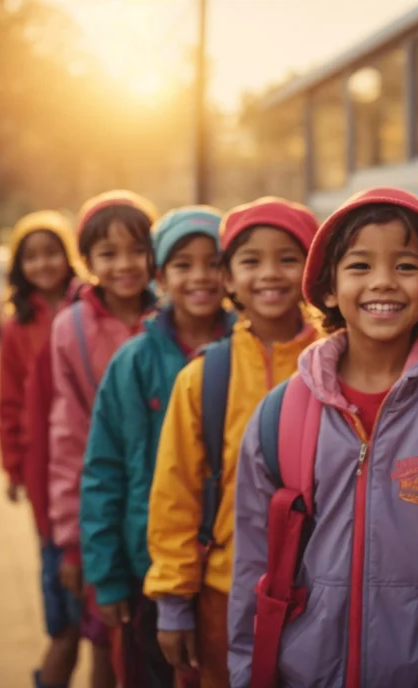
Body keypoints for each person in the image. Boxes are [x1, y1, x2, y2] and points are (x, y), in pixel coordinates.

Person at [228, 188, 418, 687]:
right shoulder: (282, 412)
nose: (384, 283)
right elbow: (253, 569)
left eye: (407, 266)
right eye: (360, 266)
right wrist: (248, 674)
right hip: (304, 672)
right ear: (327, 289)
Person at [143, 197, 320, 687]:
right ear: (227, 278)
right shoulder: (204, 377)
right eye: (251, 260)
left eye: (289, 258)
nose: (270, 274)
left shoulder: (338, 365)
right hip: (225, 589)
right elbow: (174, 495)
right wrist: (174, 603)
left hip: (325, 589)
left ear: (314, 270)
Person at [80, 207, 232, 686]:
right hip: (151, 567)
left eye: (214, 262)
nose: (201, 277)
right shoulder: (134, 362)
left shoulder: (251, 352)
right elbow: (103, 471)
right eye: (183, 265)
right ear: (161, 275)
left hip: (233, 570)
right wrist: (106, 575)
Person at [48, 190, 158, 688]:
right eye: (108, 255)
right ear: (86, 261)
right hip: (105, 507)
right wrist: (73, 543)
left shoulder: (172, 317)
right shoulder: (70, 329)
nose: (125, 265)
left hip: (168, 503)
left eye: (137, 250)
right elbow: (69, 437)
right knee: (105, 637)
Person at [0, 210, 82, 688]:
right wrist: (12, 466)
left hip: (87, 454)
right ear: (19, 267)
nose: (44, 264)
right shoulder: (17, 326)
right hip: (43, 466)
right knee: (62, 587)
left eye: (52, 253)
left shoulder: (88, 307)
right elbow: (8, 402)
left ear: (68, 258)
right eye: (32, 257)